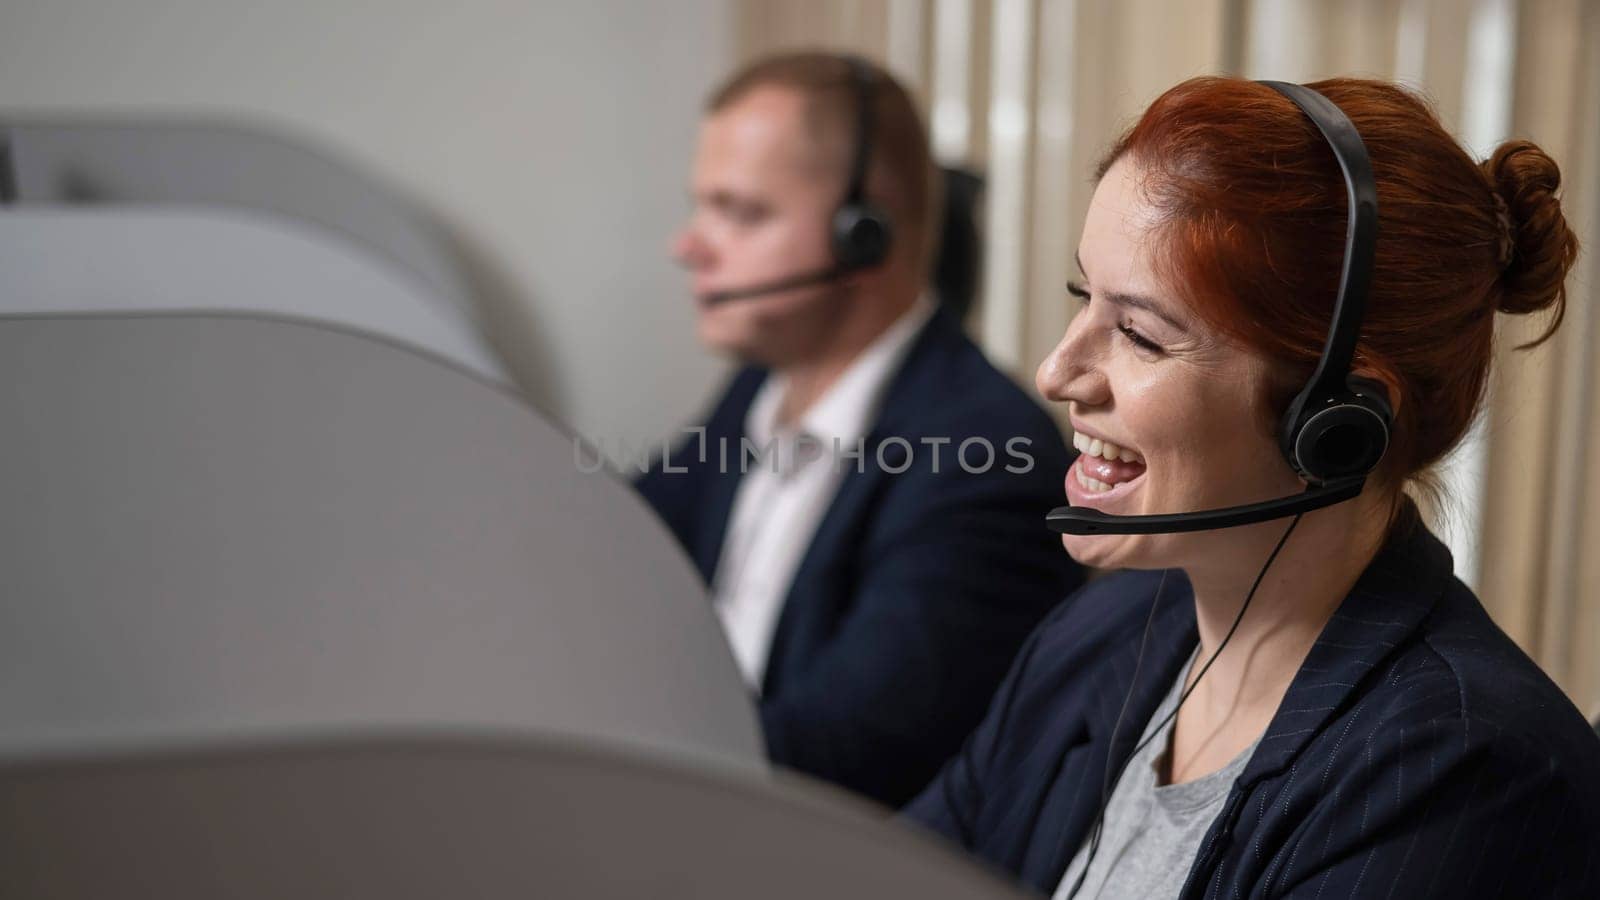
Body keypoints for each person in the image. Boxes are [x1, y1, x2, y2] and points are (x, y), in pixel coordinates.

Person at [904, 75, 1600, 897]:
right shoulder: (1102, 635)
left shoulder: (1460, 776)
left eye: (1138, 333)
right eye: (1081, 296)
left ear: (1336, 420)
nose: (1058, 371)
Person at [636, 52, 1084, 808]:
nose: (690, 247)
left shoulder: (989, 459)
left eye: (740, 212)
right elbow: (621, 540)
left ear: (862, 234)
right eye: (700, 206)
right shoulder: (760, 383)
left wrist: (609, 753)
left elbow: (842, 757)